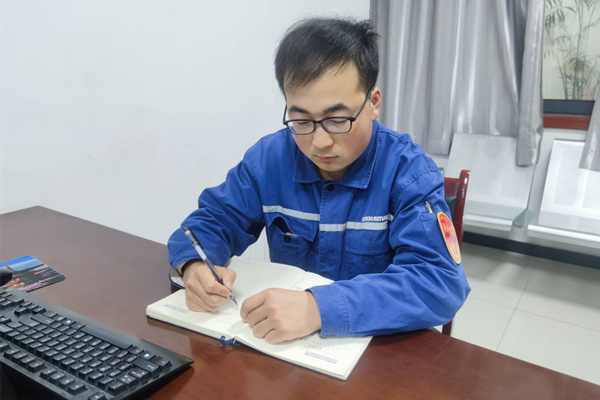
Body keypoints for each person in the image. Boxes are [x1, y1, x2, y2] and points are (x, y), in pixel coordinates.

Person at [167, 17, 470, 344]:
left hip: (374, 351)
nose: (320, 142)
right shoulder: (269, 160)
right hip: (285, 349)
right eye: (301, 120)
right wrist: (195, 266)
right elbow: (212, 221)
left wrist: (318, 308)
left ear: (373, 103)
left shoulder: (408, 172)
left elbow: (439, 282)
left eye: (338, 120)